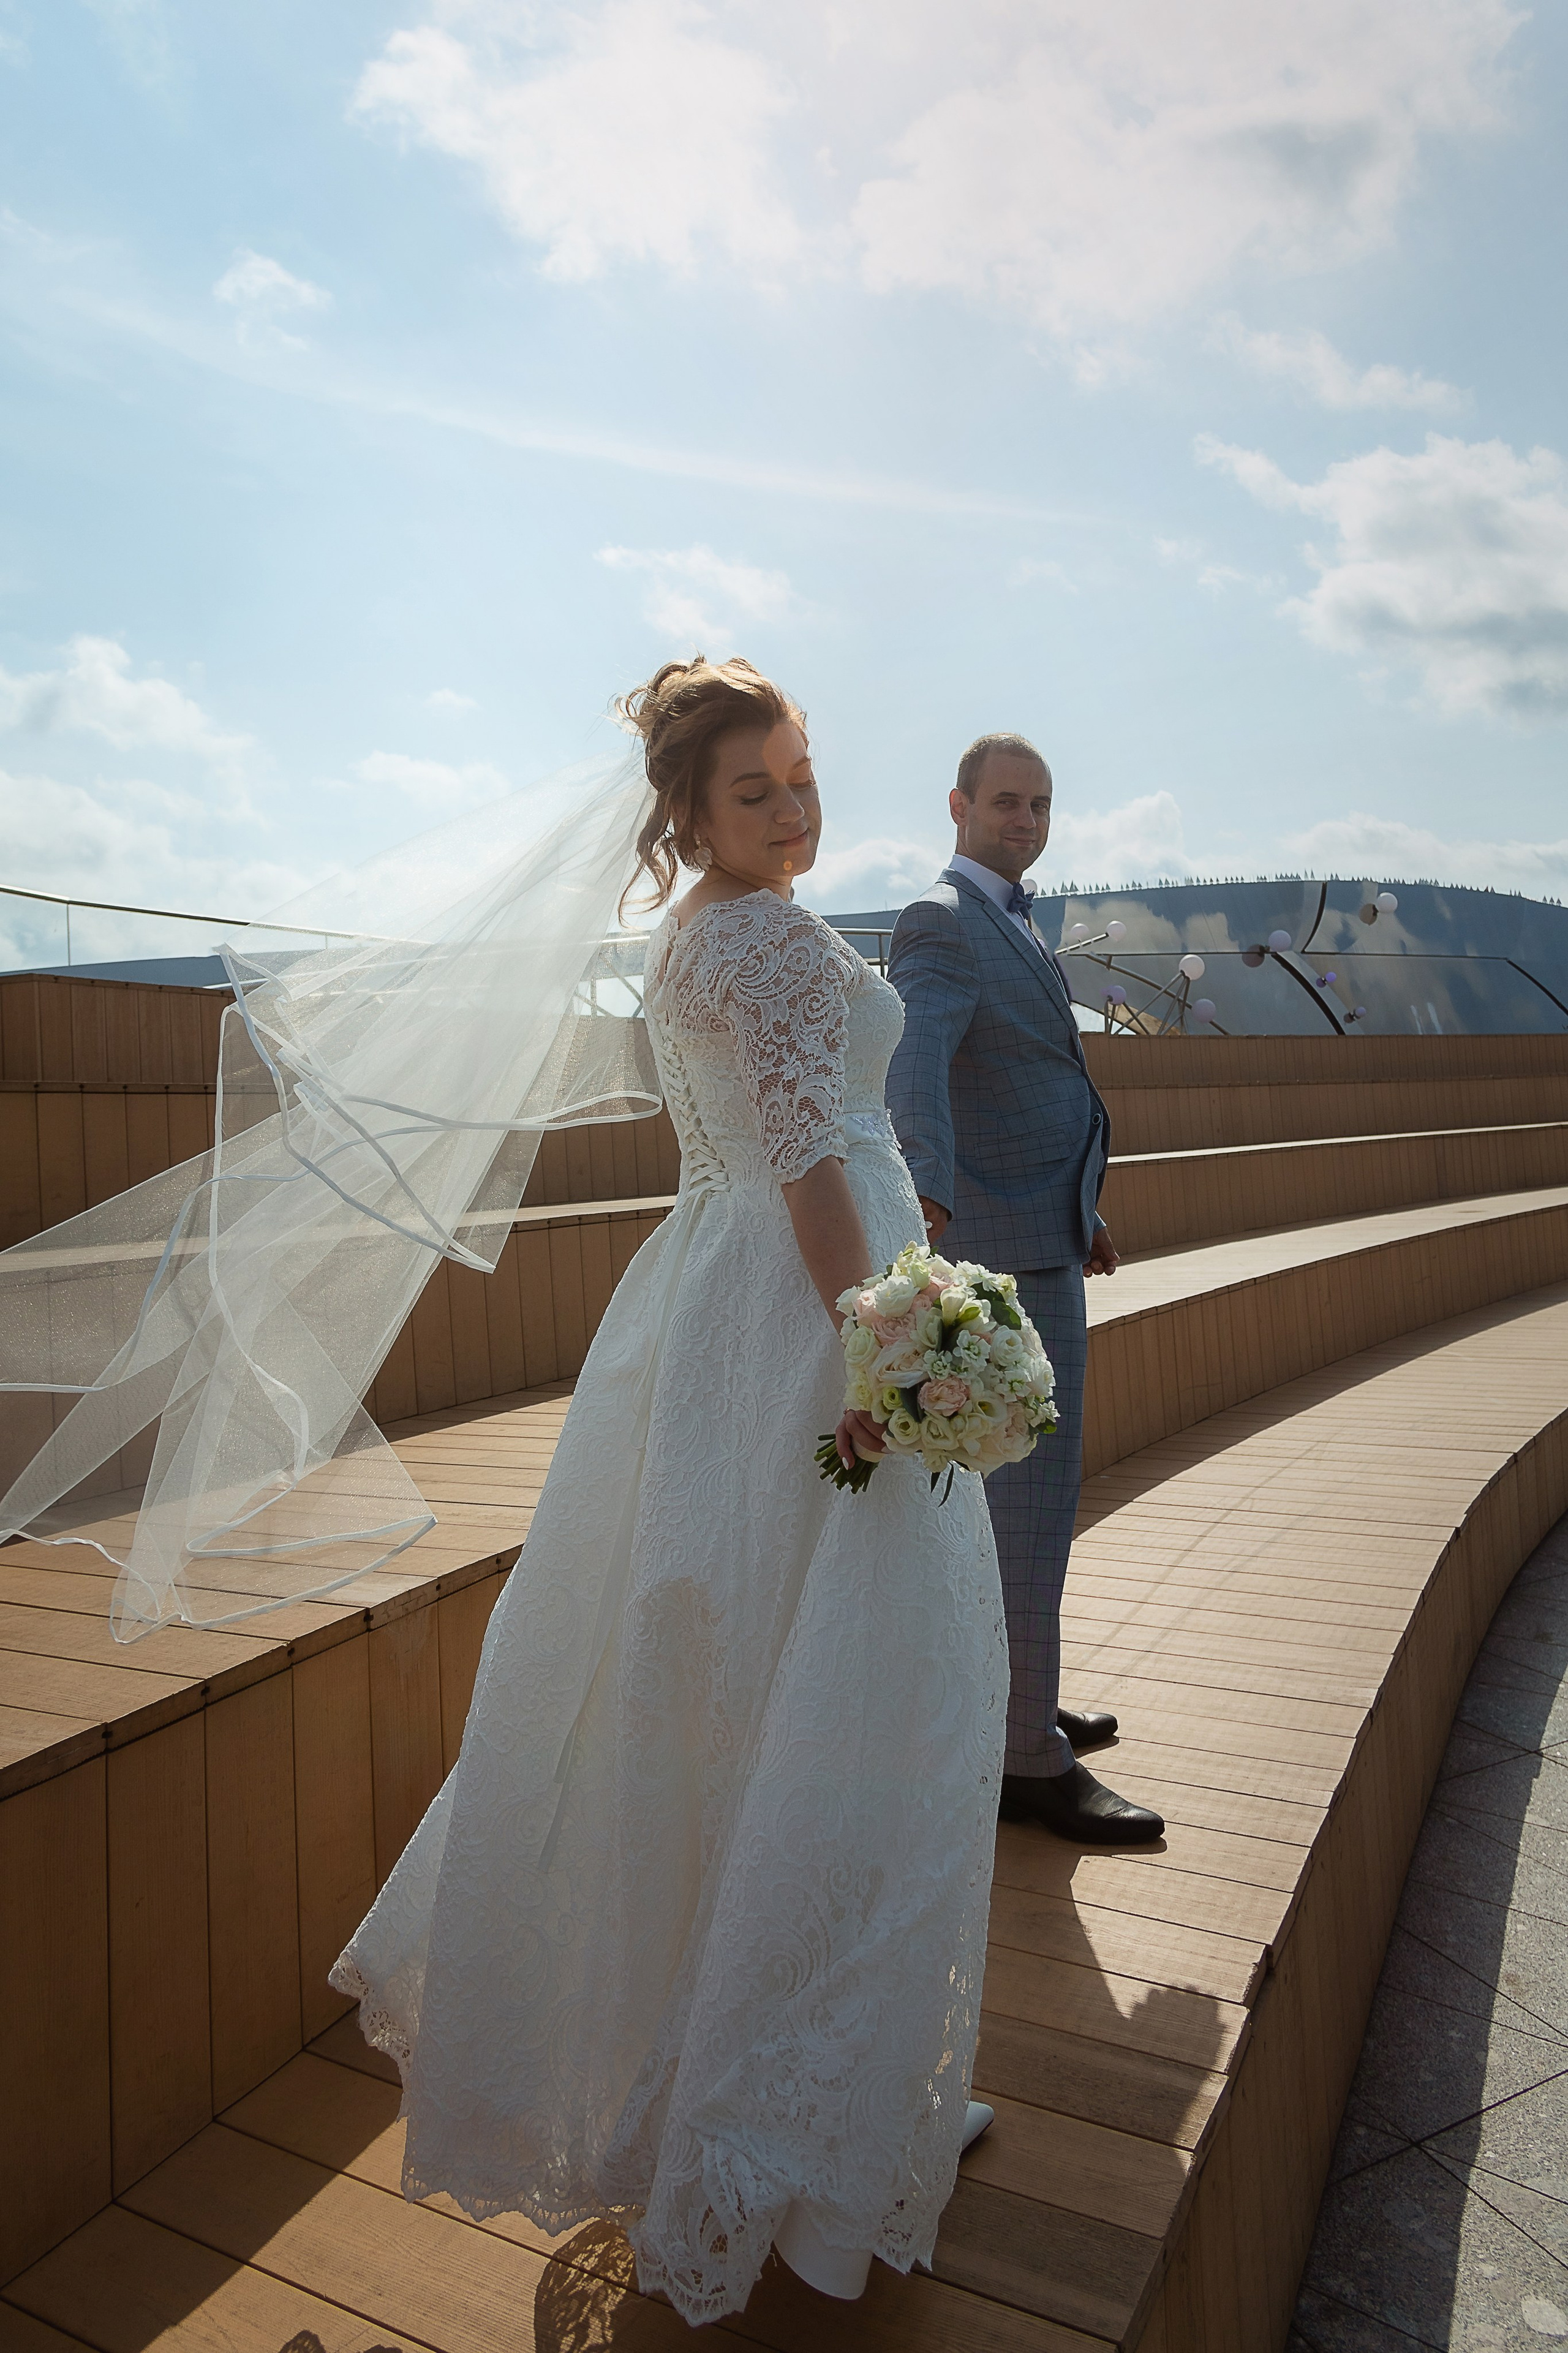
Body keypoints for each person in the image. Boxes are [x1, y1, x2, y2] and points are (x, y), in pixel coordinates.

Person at [332, 659, 1008, 2325]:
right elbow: (803, 1162)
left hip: (708, 1318)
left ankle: (757, 2075)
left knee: (726, 1690)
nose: (794, 810)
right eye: (756, 791)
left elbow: (799, 1140)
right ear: (690, 812)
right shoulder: (762, 939)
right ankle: (788, 2099)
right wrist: (885, 1348)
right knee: (844, 1695)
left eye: (801, 777)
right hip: (800, 1316)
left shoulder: (699, 930)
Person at [884, 733, 1164, 1845]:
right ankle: (1020, 1758)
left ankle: (1021, 1699)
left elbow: (1024, 1077)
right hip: (993, 1257)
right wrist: (932, 1199)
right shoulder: (943, 919)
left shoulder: (1016, 918)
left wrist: (1077, 1212)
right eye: (1007, 801)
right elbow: (919, 1058)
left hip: (1041, 1236)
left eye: (1041, 803)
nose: (1027, 818)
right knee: (1030, 1509)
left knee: (1028, 1508)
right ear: (957, 804)